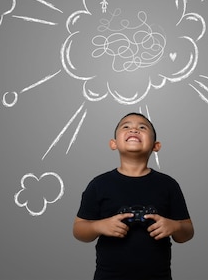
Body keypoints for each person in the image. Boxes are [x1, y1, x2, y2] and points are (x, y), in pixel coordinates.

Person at [73, 112, 194, 280]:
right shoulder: (98, 184)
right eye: (126, 126)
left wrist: (175, 226)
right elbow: (78, 230)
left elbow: (187, 232)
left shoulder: (168, 185)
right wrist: (99, 226)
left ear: (156, 145)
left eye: (142, 127)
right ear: (113, 143)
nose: (134, 129)